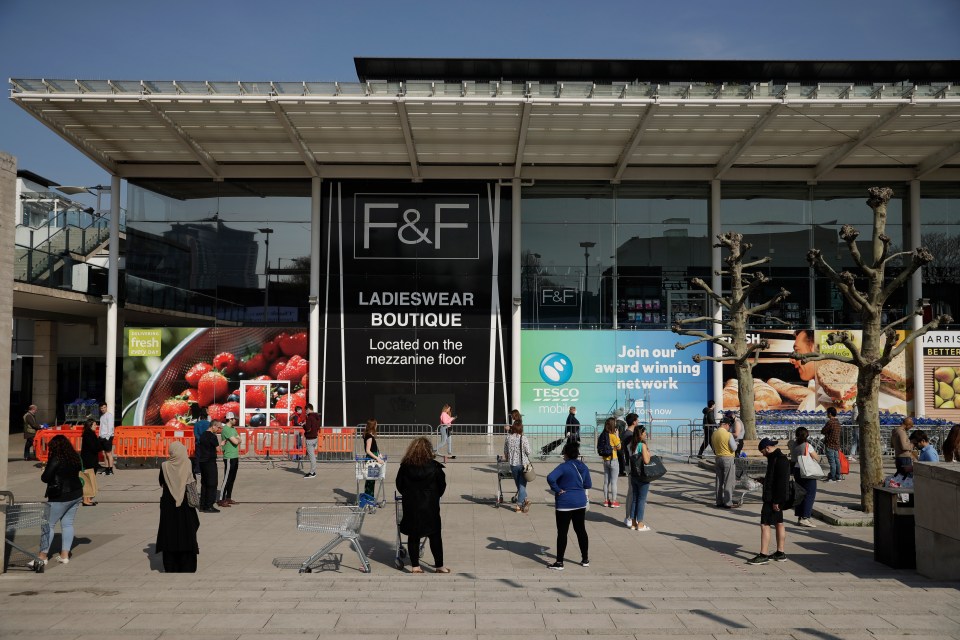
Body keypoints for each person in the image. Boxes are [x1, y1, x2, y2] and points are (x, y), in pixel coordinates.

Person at [29, 435, 84, 567]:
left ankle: (42, 556)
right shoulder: (74, 456)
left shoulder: (56, 458)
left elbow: (45, 477)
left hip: (59, 496)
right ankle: (65, 555)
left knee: (48, 525)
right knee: (67, 524)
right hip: (76, 493)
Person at [395, 436, 448, 574]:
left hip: (411, 505)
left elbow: (399, 485)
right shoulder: (435, 467)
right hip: (430, 505)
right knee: (435, 535)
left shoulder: (405, 466)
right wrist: (434, 495)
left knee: (413, 535)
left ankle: (415, 567)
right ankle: (439, 566)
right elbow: (442, 486)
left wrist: (409, 493)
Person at [546, 440, 592, 570]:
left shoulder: (563, 466)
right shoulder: (583, 467)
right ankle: (585, 559)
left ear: (566, 454)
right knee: (581, 530)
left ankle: (559, 562)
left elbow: (550, 477)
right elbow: (588, 485)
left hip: (564, 503)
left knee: (562, 532)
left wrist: (558, 489)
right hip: (580, 502)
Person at [156, 441, 200, 572]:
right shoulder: (187, 463)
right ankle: (187, 565)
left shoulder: (164, 466)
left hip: (168, 504)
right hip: (185, 503)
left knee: (169, 532)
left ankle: (171, 565)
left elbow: (161, 482)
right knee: (186, 532)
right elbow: (193, 480)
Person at [747, 438, 790, 565]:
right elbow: (775, 478)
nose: (762, 454)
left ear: (767, 448)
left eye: (762, 452)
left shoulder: (779, 460)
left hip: (772, 498)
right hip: (776, 497)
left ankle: (763, 554)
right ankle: (780, 552)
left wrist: (776, 501)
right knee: (779, 523)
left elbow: (781, 483)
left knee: (765, 524)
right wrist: (764, 480)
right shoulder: (777, 458)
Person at [791, 427, 819, 528]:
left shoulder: (794, 444)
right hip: (807, 471)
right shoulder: (807, 445)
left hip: (796, 469)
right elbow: (816, 457)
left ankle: (799, 516)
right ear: (806, 435)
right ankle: (805, 517)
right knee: (810, 494)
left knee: (800, 493)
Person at [626, 424, 653, 531]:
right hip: (642, 475)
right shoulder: (642, 445)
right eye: (644, 433)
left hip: (634, 475)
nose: (646, 435)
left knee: (635, 499)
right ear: (640, 434)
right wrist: (648, 454)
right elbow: (646, 461)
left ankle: (633, 523)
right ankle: (640, 524)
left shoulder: (630, 444)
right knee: (642, 500)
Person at [504, 419, 532, 513]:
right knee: (522, 485)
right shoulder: (523, 438)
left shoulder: (508, 437)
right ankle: (519, 505)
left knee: (519, 485)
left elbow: (505, 451)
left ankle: (525, 500)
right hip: (524, 464)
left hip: (513, 464)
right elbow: (528, 451)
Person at [711, 416, 738, 509]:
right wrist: (736, 444)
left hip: (718, 458)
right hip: (728, 458)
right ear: (726, 425)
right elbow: (734, 448)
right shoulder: (728, 434)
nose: (729, 427)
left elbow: (713, 447)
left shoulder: (714, 434)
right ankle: (728, 502)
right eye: (729, 425)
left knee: (719, 481)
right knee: (728, 481)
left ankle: (719, 501)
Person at [195, 420, 222, 512]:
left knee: (204, 484)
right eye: (218, 427)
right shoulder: (212, 436)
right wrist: (221, 444)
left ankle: (202, 505)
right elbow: (218, 450)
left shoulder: (203, 435)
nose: (219, 429)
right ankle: (209, 505)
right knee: (212, 483)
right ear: (213, 426)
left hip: (202, 461)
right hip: (210, 461)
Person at [217, 412, 241, 508]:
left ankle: (228, 497)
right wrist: (237, 440)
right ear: (230, 419)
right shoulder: (226, 429)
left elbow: (240, 439)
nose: (236, 420)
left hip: (235, 456)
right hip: (229, 457)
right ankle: (221, 499)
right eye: (234, 419)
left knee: (232, 478)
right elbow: (236, 441)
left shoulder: (233, 429)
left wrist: (237, 440)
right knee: (227, 478)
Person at [620, 413, 640, 526]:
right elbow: (629, 452)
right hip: (631, 465)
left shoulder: (627, 433)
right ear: (634, 422)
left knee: (631, 492)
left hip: (629, 465)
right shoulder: (629, 435)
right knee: (632, 492)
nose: (638, 422)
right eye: (637, 420)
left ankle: (629, 516)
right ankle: (629, 517)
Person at [599, 417, 621, 508]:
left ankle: (606, 500)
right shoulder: (612, 436)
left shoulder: (602, 435)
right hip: (613, 460)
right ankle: (614, 501)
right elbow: (619, 447)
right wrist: (617, 436)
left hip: (605, 459)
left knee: (606, 481)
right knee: (614, 482)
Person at [79, 419, 100, 507]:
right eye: (95, 425)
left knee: (90, 480)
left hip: (91, 460)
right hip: (88, 460)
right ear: (90, 425)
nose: (96, 426)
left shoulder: (90, 434)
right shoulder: (88, 434)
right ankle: (85, 500)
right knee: (87, 480)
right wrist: (100, 444)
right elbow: (93, 447)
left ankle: (88, 499)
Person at [363, 419, 385, 496]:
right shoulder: (369, 437)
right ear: (373, 426)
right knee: (370, 481)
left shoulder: (370, 436)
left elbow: (374, 448)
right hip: (371, 460)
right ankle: (369, 498)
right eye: (376, 425)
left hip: (373, 459)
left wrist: (379, 454)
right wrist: (377, 458)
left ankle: (369, 497)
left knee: (371, 480)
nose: (376, 427)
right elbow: (368, 450)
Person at [821, 407, 843, 481]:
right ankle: (838, 476)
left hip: (830, 444)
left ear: (830, 414)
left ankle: (832, 477)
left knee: (832, 462)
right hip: (836, 444)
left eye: (827, 413)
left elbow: (823, 431)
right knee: (837, 461)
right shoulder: (838, 422)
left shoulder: (830, 422)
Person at [302, 404, 321, 478]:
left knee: (312, 456)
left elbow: (308, 429)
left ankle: (312, 472)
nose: (305, 412)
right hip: (315, 437)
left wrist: (303, 425)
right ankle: (312, 471)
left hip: (310, 438)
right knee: (313, 455)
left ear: (308, 409)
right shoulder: (317, 417)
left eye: (306, 410)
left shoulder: (309, 417)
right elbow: (318, 426)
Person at [98, 402, 116, 475]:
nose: (103, 409)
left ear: (106, 407)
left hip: (107, 437)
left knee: (109, 453)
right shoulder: (102, 416)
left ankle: (111, 469)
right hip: (102, 436)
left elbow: (111, 427)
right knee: (104, 454)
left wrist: (107, 437)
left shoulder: (109, 416)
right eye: (101, 408)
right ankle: (106, 469)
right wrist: (100, 435)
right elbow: (101, 427)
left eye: (104, 407)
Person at [191, 409, 210, 476]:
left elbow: (196, 434)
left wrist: (200, 440)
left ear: (200, 416)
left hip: (199, 443)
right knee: (207, 456)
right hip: (207, 443)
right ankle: (206, 469)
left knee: (198, 457)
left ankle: (198, 470)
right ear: (207, 416)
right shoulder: (209, 424)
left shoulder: (197, 424)